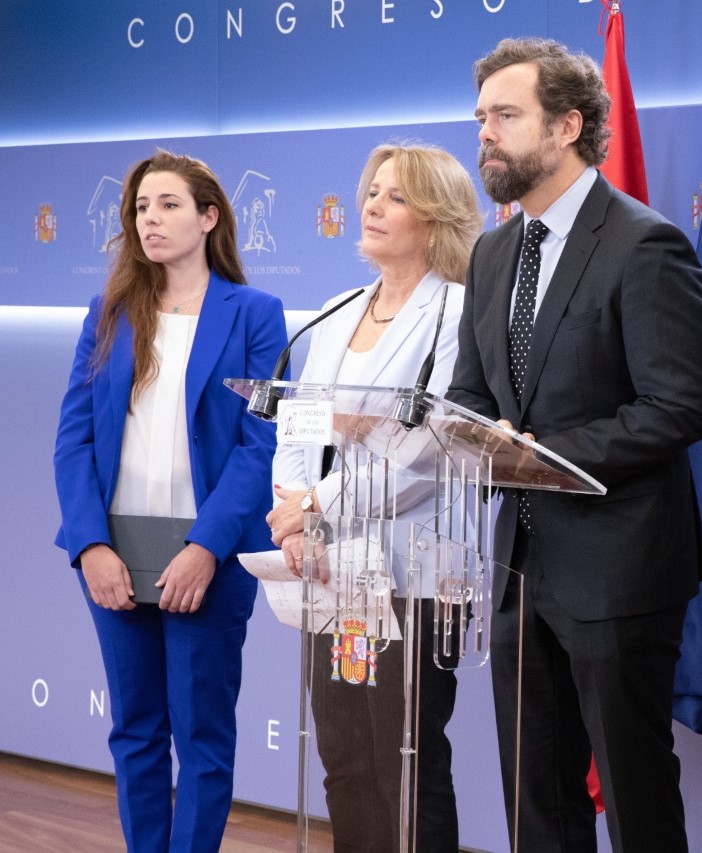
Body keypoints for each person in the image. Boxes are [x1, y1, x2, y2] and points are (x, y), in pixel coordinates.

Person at [446, 37, 702, 852]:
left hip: (620, 567)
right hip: (520, 569)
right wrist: (465, 429)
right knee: (538, 792)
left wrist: (543, 452)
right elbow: (471, 392)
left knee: (633, 793)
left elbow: (680, 405)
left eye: (506, 115)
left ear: (567, 125)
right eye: (481, 117)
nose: (485, 133)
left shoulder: (644, 243)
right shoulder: (493, 251)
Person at [53, 150, 286, 852]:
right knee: (135, 731)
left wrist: (204, 548)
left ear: (208, 216)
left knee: (203, 737)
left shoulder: (256, 314)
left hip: (207, 557)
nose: (149, 219)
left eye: (168, 205)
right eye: (141, 208)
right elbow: (72, 439)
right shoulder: (109, 311)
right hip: (114, 554)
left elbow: (259, 448)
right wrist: (91, 544)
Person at [268, 143, 481, 853]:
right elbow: (295, 422)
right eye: (372, 191)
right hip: (330, 573)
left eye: (395, 196)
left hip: (413, 572)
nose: (372, 205)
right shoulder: (335, 309)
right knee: (344, 757)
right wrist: (296, 512)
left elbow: (427, 452)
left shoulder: (459, 314)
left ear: (439, 216)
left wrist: (317, 506)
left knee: (405, 762)